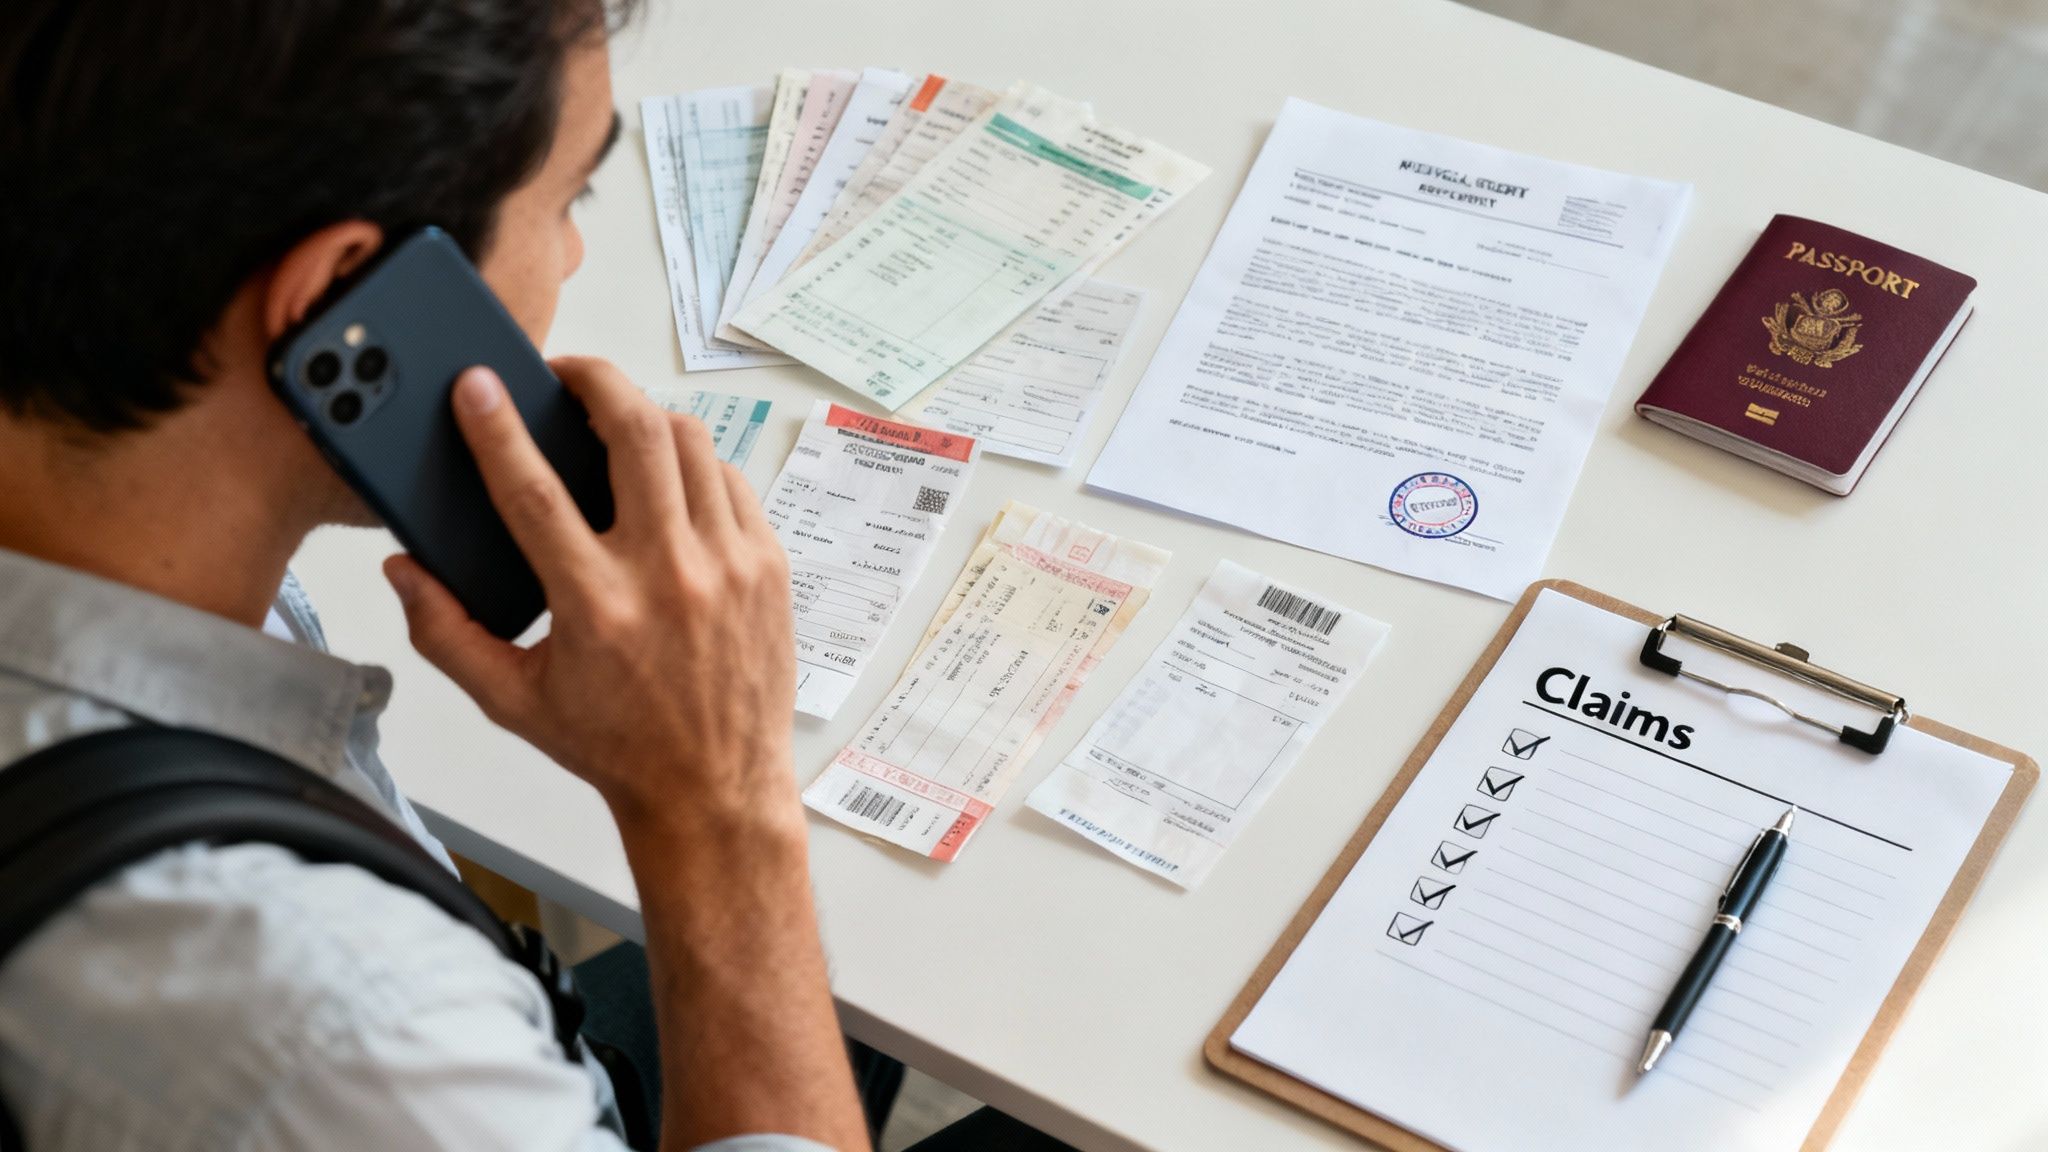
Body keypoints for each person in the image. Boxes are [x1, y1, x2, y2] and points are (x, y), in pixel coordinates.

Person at [0, 1, 871, 1148]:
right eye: (567, 203)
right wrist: (721, 814)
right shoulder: (352, 1038)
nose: (571, 257)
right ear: (338, 298)